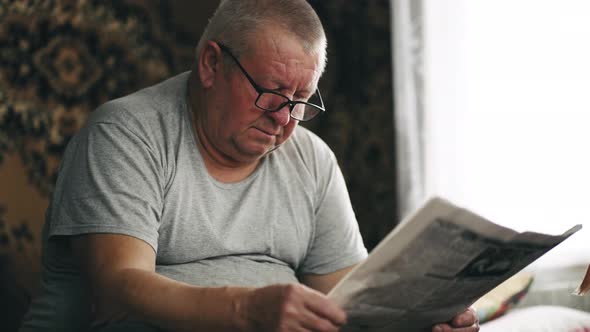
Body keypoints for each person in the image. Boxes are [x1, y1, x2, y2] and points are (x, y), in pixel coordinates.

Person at [20, 1, 479, 331]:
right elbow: (118, 289)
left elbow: (348, 301)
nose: (283, 119)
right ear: (211, 64)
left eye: (300, 101)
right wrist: (246, 311)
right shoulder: (125, 133)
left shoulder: (312, 161)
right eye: (272, 92)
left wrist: (414, 318)